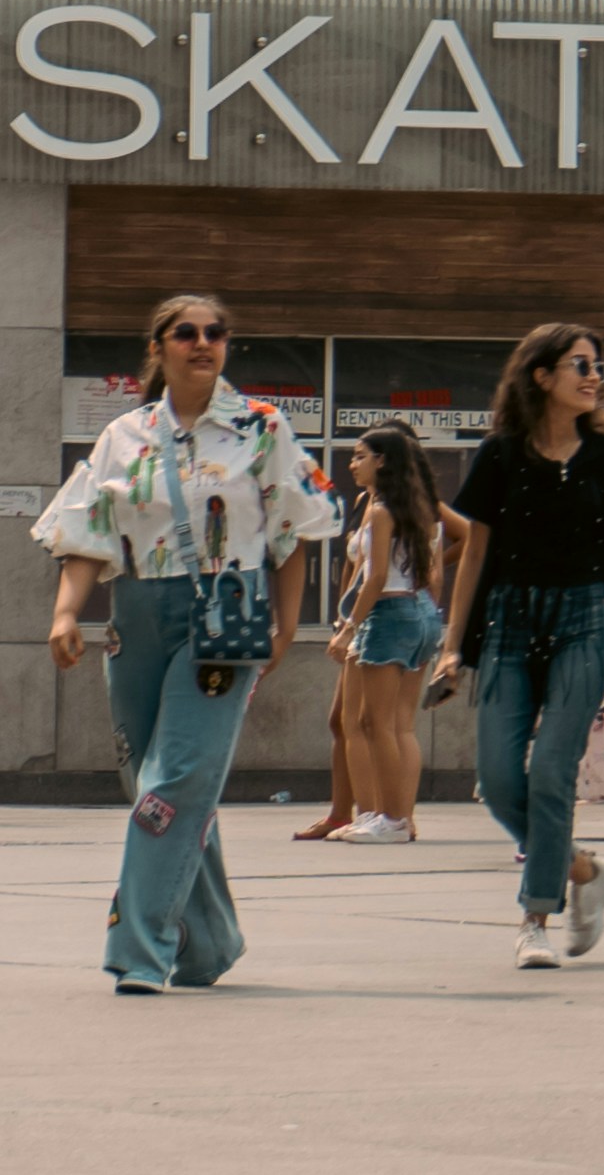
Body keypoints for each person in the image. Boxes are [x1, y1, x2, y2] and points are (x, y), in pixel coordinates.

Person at [37, 294, 329, 993]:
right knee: (157, 783)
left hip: (228, 616)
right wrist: (65, 613)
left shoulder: (263, 428)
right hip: (138, 613)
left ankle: (140, 951)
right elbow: (87, 534)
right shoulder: (124, 435)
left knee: (172, 785)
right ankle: (211, 944)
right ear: (160, 346)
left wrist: (285, 627)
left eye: (216, 332)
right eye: (187, 332)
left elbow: (295, 535)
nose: (203, 342)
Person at [436, 325, 604, 967]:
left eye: (598, 365)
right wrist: (450, 642)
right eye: (580, 364)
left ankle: (535, 918)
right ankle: (583, 870)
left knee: (552, 772)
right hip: (510, 621)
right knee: (497, 780)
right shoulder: (500, 454)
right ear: (542, 375)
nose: (594, 374)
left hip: (587, 619)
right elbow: (475, 553)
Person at [314, 423, 449, 847]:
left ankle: (386, 818)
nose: (353, 464)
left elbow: (372, 580)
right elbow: (430, 573)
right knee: (401, 726)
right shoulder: (420, 506)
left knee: (375, 724)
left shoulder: (379, 510)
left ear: (382, 460)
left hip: (388, 613)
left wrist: (347, 629)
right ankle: (398, 818)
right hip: (421, 611)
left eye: (360, 456)